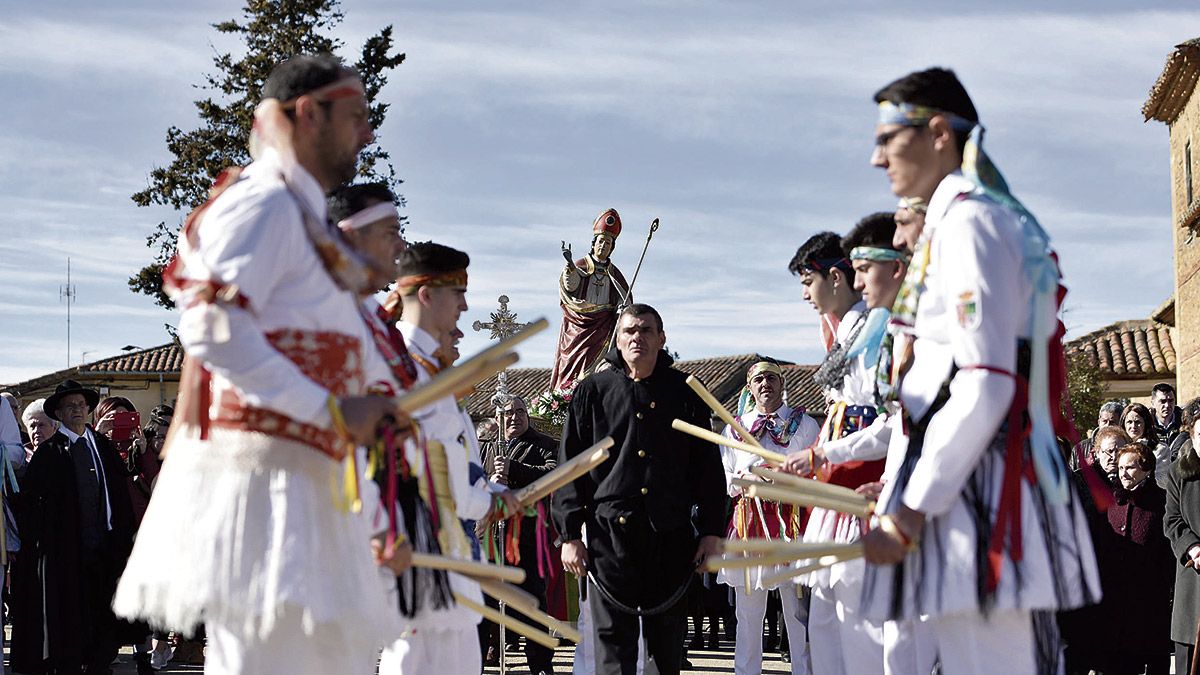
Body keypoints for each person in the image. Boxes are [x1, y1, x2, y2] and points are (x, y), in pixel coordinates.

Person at [112, 54, 413, 674]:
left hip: (309, 490)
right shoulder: (265, 205)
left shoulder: (304, 222)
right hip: (266, 493)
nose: (368, 133)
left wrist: (376, 507)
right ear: (308, 114)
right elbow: (210, 324)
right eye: (356, 116)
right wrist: (330, 410)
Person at [857, 67, 1099, 674]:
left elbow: (986, 379)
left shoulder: (970, 221)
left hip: (981, 499)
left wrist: (911, 505)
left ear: (938, 132)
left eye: (889, 137)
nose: (876, 156)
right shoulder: (951, 222)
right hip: (961, 494)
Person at [554, 303, 726, 675]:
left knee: (668, 652)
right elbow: (571, 467)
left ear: (661, 339)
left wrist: (712, 531)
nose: (638, 337)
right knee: (613, 652)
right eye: (630, 330)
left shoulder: (685, 392)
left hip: (671, 538)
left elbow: (709, 469)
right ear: (618, 338)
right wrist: (569, 534)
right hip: (609, 541)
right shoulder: (592, 391)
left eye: (647, 330)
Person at [381, 241, 518, 675]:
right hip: (418, 550)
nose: (464, 305)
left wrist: (492, 493)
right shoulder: (401, 368)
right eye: (456, 292)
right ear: (426, 294)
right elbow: (426, 475)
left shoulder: (432, 369)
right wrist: (488, 502)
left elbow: (457, 466)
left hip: (450, 551)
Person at [784, 218, 897, 675]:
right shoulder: (847, 332)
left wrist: (823, 455)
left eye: (808, 281)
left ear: (837, 276)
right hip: (838, 487)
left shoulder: (877, 332)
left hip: (864, 488)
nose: (805, 295)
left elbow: (890, 422)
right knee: (827, 611)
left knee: (857, 617)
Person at [11, 379, 136, 674]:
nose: (77, 410)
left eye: (81, 405)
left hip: (105, 548)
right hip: (67, 554)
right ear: (60, 413)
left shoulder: (101, 446)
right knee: (70, 619)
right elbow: (33, 505)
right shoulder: (50, 452)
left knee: (105, 616)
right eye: (70, 406)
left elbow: (119, 492)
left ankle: (99, 664)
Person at [719, 361, 820, 675]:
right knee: (749, 613)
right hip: (749, 525)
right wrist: (746, 479)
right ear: (750, 387)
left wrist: (786, 480)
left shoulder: (804, 425)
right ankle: (746, 671)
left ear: (781, 383)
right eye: (759, 379)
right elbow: (725, 479)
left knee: (798, 610)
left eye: (772, 378)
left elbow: (817, 473)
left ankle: (804, 671)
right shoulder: (735, 427)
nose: (766, 384)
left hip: (791, 523)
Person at [480, 395, 559, 674]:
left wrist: (514, 470)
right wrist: (490, 482)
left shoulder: (546, 445)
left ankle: (540, 665)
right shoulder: (487, 447)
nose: (515, 417)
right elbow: (472, 479)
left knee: (532, 603)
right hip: (490, 537)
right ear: (498, 418)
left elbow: (553, 475)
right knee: (484, 601)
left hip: (526, 536)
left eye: (520, 411)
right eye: (508, 413)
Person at [551, 208, 630, 390]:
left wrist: (621, 309)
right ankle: (567, 394)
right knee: (572, 362)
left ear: (612, 248)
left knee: (600, 369)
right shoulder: (580, 265)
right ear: (594, 243)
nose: (603, 246)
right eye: (601, 241)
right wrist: (570, 266)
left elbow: (624, 299)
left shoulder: (615, 274)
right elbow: (570, 287)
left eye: (608, 243)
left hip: (603, 328)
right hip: (578, 325)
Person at [1164, 404, 1200, 671]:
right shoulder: (1179, 472)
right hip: (1193, 579)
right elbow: (1172, 519)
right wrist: (1193, 547)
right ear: (1193, 436)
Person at [1124, 402, 1169, 489]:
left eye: (1137, 422)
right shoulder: (1118, 448)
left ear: (1146, 424)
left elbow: (1162, 481)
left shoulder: (1160, 449)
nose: (1133, 426)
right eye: (1129, 422)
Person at [1070, 400, 1124, 471]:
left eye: (1112, 422)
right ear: (1099, 422)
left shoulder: (1127, 446)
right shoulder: (1080, 449)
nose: (1107, 425)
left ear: (1120, 423)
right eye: (1104, 421)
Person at [1153, 383, 1183, 448]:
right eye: (1163, 401)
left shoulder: (1185, 422)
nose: (1167, 405)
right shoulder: (1147, 425)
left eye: (1171, 401)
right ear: (1153, 403)